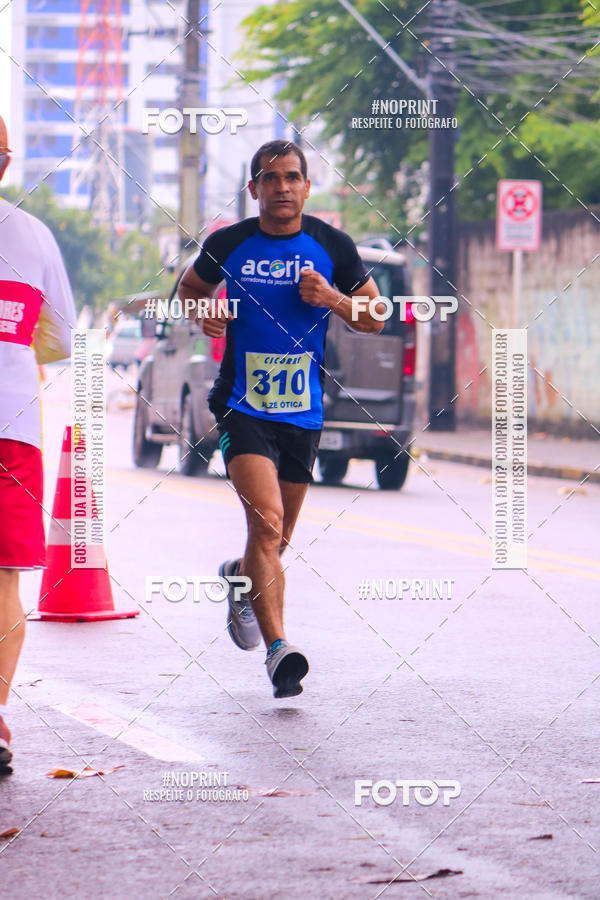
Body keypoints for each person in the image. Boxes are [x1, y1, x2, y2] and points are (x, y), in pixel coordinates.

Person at [177, 139, 383, 698]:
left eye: (292, 177)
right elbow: (189, 289)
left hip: (303, 412)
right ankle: (278, 652)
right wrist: (205, 311)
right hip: (241, 405)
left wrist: (333, 297)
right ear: (254, 189)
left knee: (277, 539)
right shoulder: (230, 243)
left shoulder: (331, 245)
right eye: (270, 178)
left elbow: (375, 317)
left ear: (307, 186)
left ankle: (239, 577)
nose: (282, 187)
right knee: (266, 523)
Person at [0, 115, 77, 769]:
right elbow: (60, 338)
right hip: (14, 426)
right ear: (5, 164)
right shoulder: (33, 235)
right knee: (4, 580)